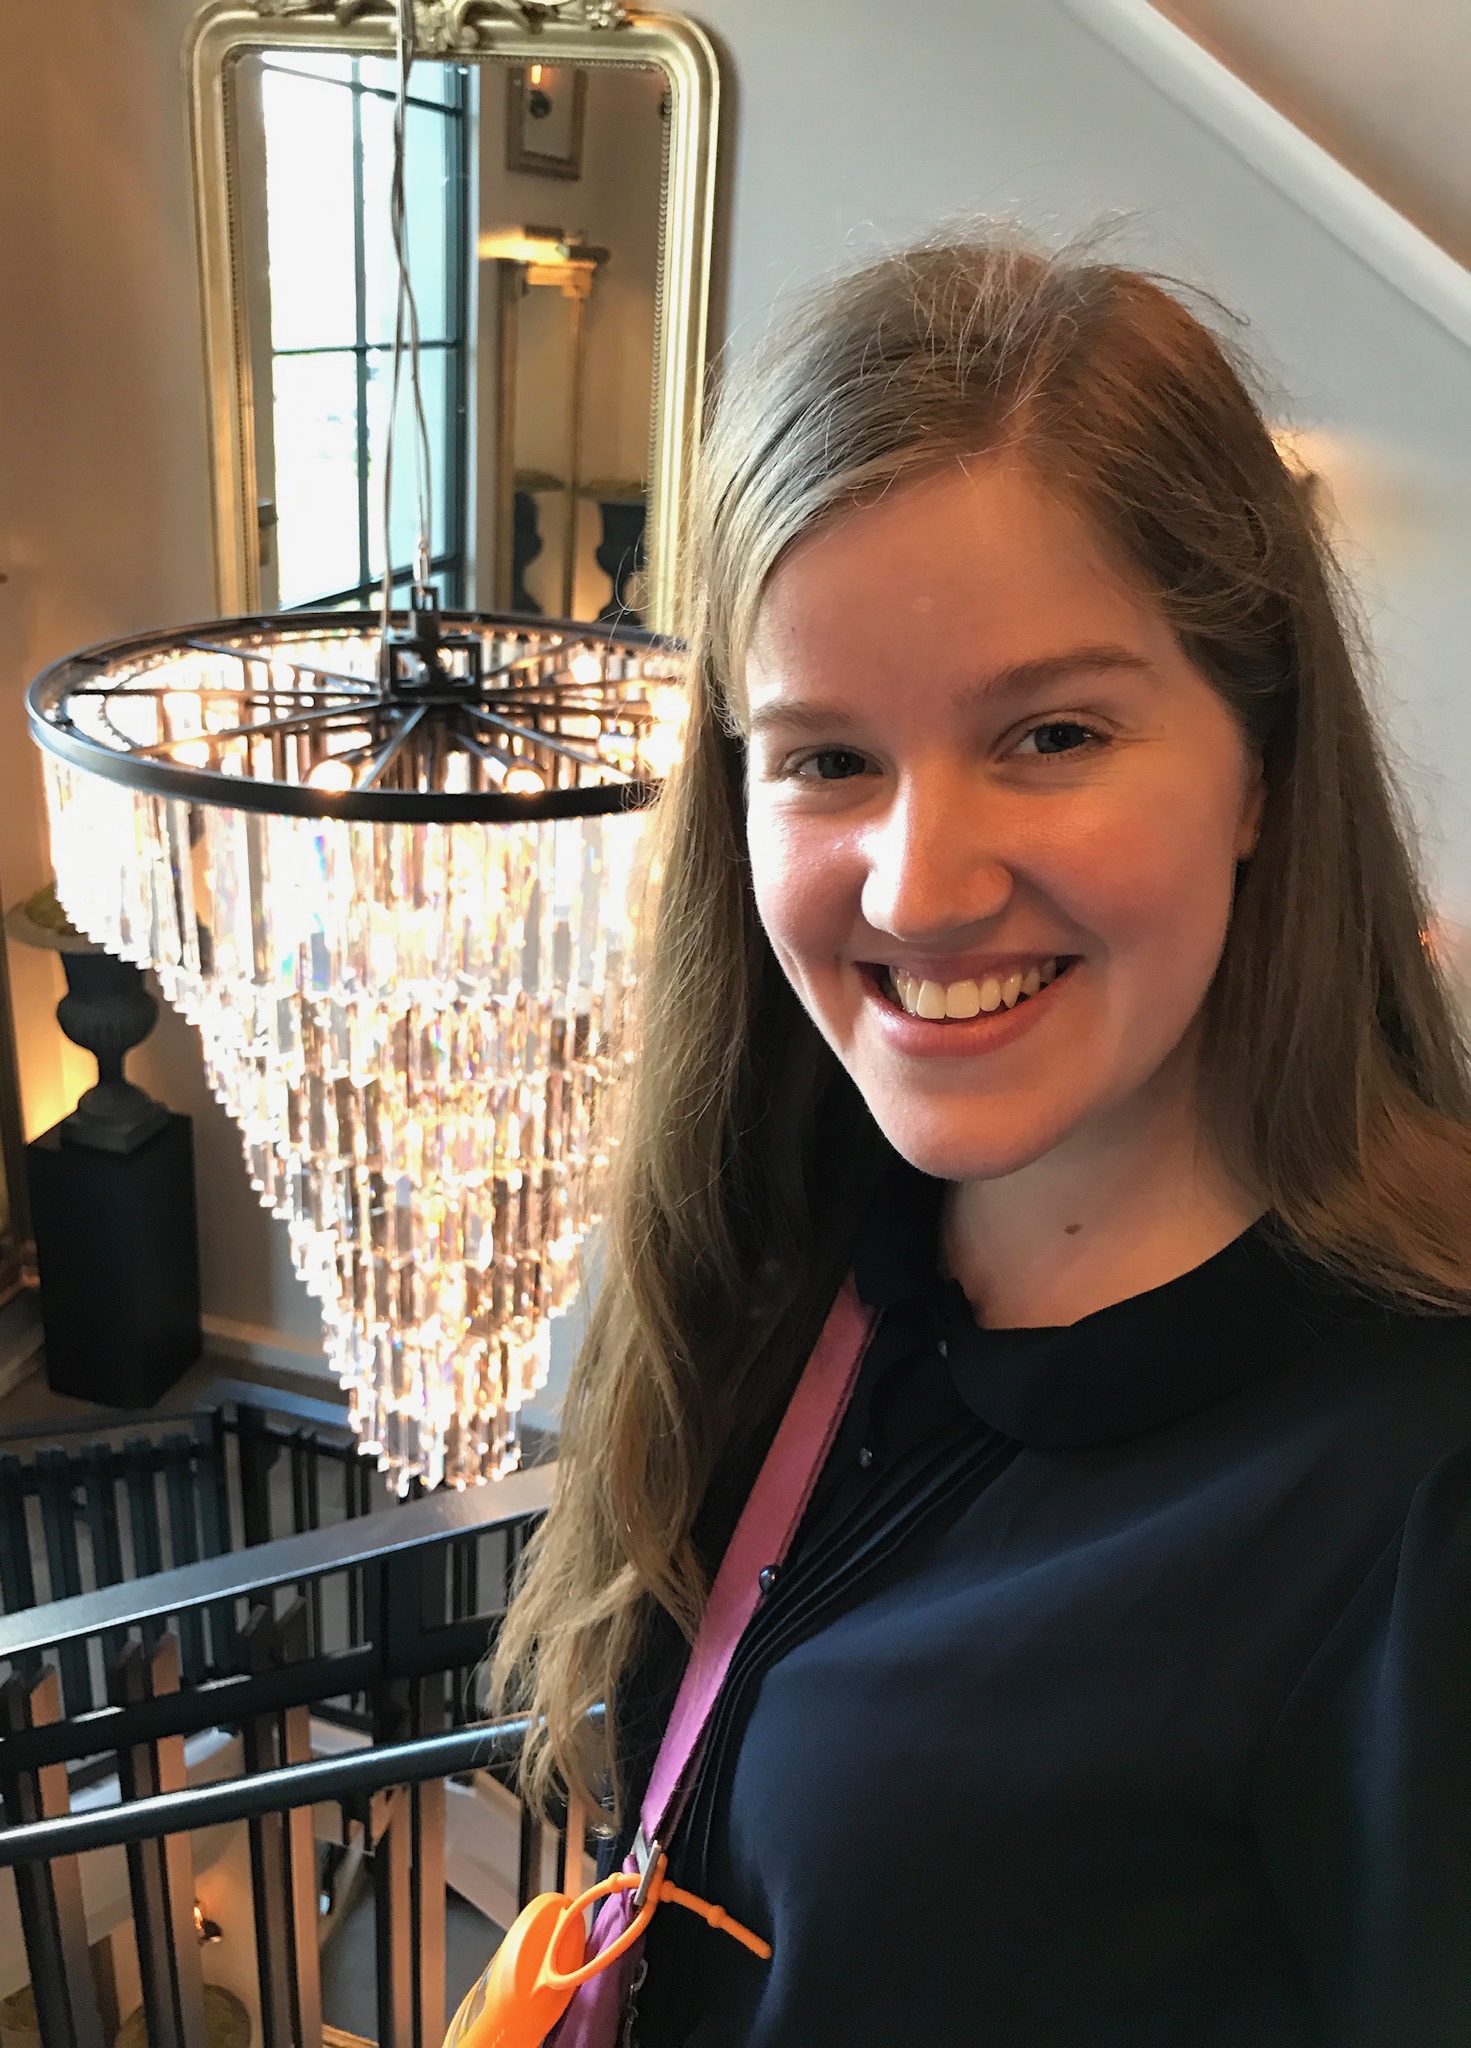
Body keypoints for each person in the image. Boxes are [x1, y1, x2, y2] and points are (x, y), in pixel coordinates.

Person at [493, 234, 1471, 2045]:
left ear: (1259, 763)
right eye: (826, 760)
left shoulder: (1416, 1489)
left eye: (1052, 732)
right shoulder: (799, 1252)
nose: (922, 885)